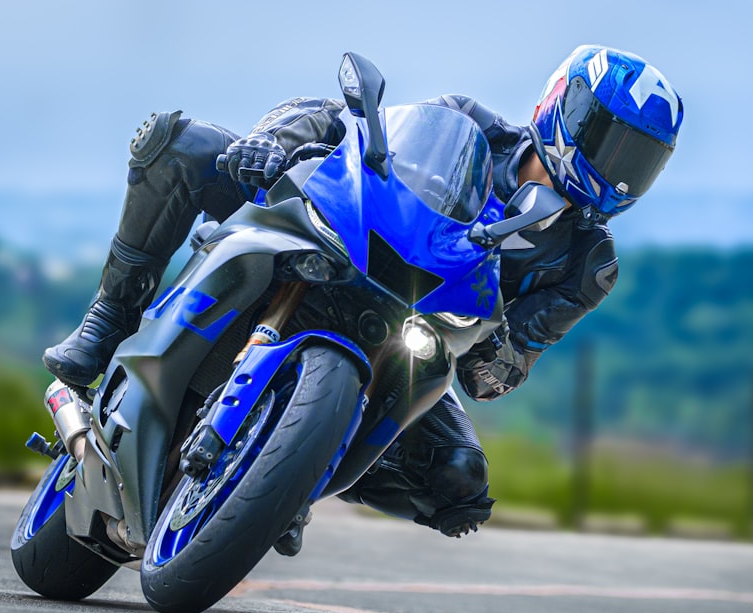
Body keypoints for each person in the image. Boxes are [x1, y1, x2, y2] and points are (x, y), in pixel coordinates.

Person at [43, 45, 683, 554]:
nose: (617, 167)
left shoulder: (587, 264)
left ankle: (286, 483)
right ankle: (109, 319)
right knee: (179, 143)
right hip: (339, 242)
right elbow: (356, 138)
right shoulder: (471, 122)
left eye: (640, 159)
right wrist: (279, 138)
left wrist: (496, 350)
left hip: (414, 334)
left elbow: (506, 366)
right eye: (608, 138)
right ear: (563, 106)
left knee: (460, 481)